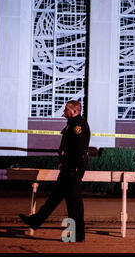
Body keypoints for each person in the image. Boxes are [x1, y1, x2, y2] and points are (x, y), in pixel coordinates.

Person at [19, 100, 90, 242]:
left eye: (66, 109)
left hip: (72, 171)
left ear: (74, 111)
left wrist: (70, 166)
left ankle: (78, 235)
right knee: (57, 199)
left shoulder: (78, 125)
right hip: (68, 170)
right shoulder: (72, 123)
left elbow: (78, 150)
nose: (64, 111)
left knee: (73, 203)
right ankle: (36, 221)